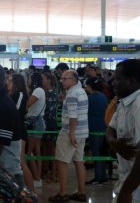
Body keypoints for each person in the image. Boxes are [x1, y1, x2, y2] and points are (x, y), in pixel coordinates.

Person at [49, 70, 88, 203]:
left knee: (61, 161)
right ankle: (82, 192)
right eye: (62, 78)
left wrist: (71, 133)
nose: (62, 81)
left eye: (65, 78)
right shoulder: (81, 91)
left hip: (70, 133)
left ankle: (63, 193)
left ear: (74, 79)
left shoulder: (72, 94)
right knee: (79, 161)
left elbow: (73, 116)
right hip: (82, 132)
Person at [106, 60, 140, 202]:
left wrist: (127, 192)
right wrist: (113, 142)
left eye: (118, 79)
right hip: (127, 181)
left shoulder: (139, 104)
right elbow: (110, 128)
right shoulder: (124, 102)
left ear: (132, 81)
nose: (113, 83)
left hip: (136, 188)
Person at [7, 73, 34, 191]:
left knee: (22, 163)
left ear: (16, 83)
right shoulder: (14, 95)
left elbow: (15, 112)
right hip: (14, 132)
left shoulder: (20, 94)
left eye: (10, 80)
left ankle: (32, 193)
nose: (7, 82)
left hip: (18, 132)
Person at [84, 77, 108, 185]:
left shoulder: (90, 98)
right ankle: (103, 175)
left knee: (96, 153)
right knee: (102, 152)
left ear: (90, 87)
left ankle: (98, 177)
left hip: (93, 128)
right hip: (103, 127)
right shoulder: (103, 97)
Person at [26, 71, 46, 188]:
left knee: (29, 152)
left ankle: (36, 178)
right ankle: (37, 177)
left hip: (34, 123)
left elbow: (28, 104)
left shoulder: (38, 90)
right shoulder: (39, 90)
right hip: (37, 122)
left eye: (29, 78)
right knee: (36, 151)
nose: (28, 80)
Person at [41, 72, 59, 183]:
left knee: (51, 148)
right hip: (46, 123)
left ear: (49, 81)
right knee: (45, 148)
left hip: (50, 123)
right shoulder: (46, 93)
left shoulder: (52, 94)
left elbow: (49, 110)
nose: (42, 80)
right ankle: (46, 170)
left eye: (44, 79)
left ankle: (53, 172)